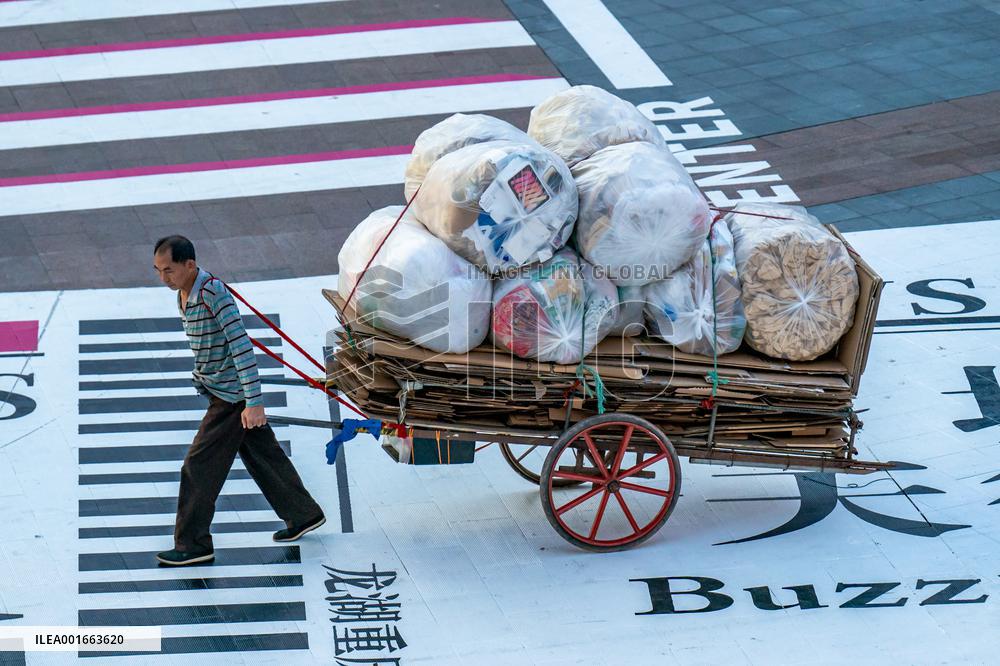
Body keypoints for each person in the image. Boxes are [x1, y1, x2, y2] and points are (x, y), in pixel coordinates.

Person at [152, 235, 325, 566]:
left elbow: (241, 345)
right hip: (219, 389)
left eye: (169, 270)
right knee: (264, 455)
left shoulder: (213, 293)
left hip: (232, 397)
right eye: (158, 271)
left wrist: (253, 401)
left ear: (190, 265)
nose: (164, 279)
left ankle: (194, 544)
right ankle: (303, 514)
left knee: (198, 467)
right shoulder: (185, 293)